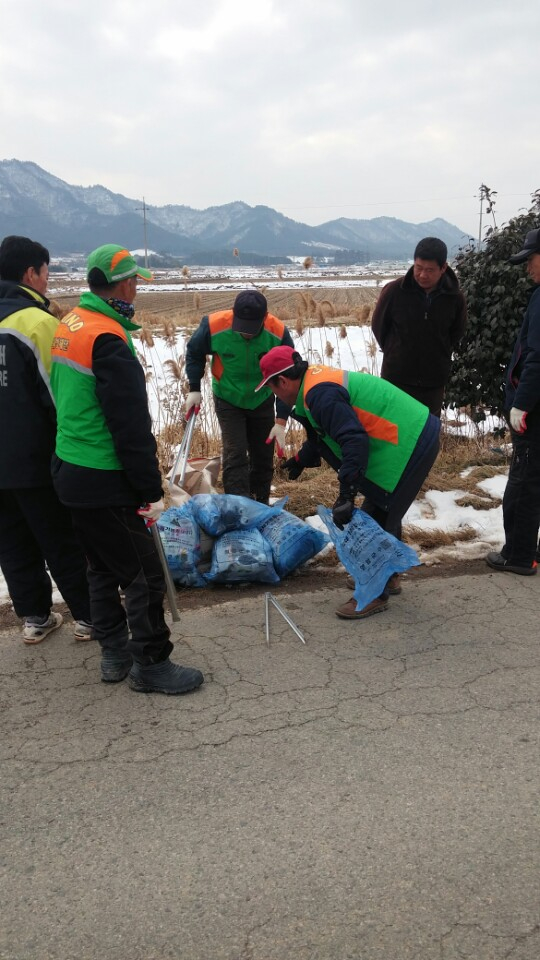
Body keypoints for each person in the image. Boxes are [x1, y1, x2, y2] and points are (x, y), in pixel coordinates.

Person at [50, 244, 204, 695]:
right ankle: (152, 663)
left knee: (100, 567)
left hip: (71, 467)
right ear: (124, 283)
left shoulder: (72, 324)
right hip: (104, 474)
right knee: (144, 574)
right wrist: (148, 490)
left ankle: (114, 652)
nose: (137, 288)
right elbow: (131, 428)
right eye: (135, 281)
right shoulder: (107, 339)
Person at [256, 345, 440, 619]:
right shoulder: (313, 384)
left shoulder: (319, 394)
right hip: (406, 435)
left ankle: (373, 595)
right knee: (380, 509)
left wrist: (346, 495)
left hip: (409, 441)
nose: (275, 395)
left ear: (282, 381)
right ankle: (388, 577)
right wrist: (301, 459)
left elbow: (353, 440)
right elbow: (325, 432)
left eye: (272, 389)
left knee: (374, 520)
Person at [0, 235, 92, 644]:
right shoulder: (36, 322)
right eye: (46, 272)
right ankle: (89, 617)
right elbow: (60, 396)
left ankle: (36, 617)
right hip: (35, 458)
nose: (48, 281)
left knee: (13, 544)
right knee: (61, 540)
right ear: (30, 273)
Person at [184, 290, 294, 504]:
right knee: (235, 454)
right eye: (242, 328)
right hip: (228, 397)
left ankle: (259, 503)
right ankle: (238, 506)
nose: (247, 334)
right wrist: (194, 388)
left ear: (265, 318)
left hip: (261, 398)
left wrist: (281, 420)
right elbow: (194, 352)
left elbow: (288, 376)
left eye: (252, 329)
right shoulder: (214, 326)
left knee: (262, 455)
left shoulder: (278, 333)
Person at [486, 226, 540, 576]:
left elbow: (536, 357)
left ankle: (519, 555)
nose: (527, 268)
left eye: (530, 260)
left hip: (534, 412)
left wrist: (521, 402)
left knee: (523, 482)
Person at [371, 236, 467, 416]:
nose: (423, 275)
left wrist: (439, 352)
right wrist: (395, 350)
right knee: (394, 433)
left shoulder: (454, 298)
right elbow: (379, 326)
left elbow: (456, 332)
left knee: (427, 434)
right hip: (396, 378)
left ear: (443, 268)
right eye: (419, 268)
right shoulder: (394, 291)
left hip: (433, 381)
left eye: (430, 270)